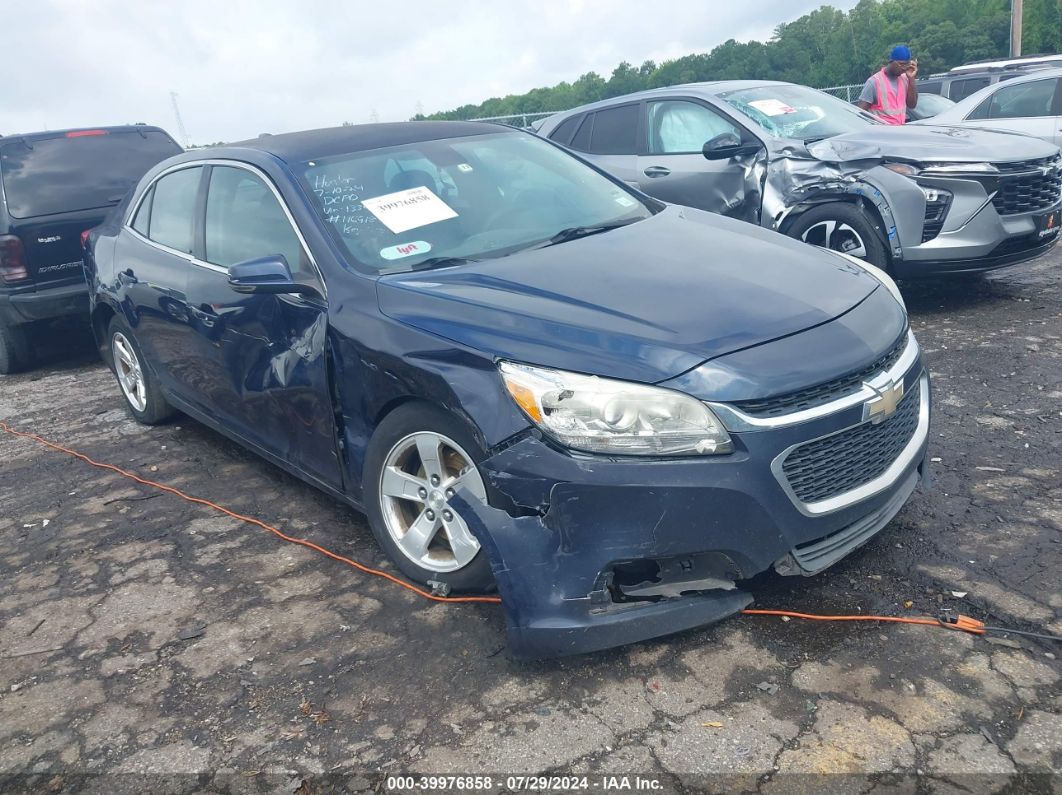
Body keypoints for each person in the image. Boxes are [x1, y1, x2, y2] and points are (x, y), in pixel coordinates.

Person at [857, 45, 918, 125]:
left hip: (899, 131)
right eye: (901, 64)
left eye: (906, 65)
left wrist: (911, 79)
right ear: (891, 61)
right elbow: (859, 113)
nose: (904, 68)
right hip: (882, 134)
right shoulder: (874, 82)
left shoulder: (905, 79)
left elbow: (912, 105)